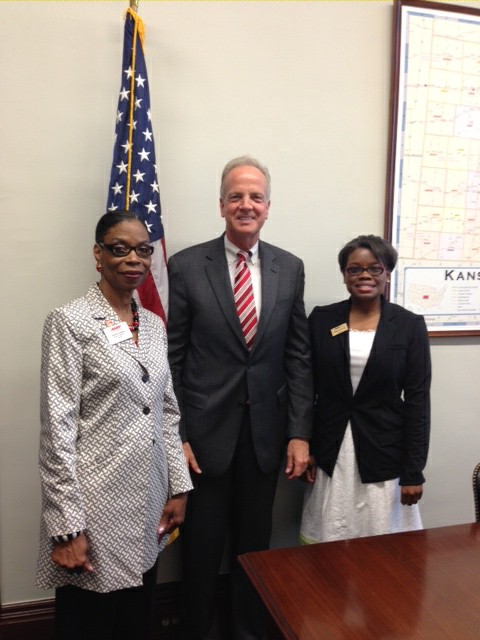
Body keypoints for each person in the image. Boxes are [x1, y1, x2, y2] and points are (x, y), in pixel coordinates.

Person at [167, 156, 313, 640]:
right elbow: (172, 358)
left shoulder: (289, 268)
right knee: (202, 552)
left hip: (266, 438)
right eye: (236, 196)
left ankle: (249, 632)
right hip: (204, 442)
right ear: (221, 205)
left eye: (255, 197)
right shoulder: (187, 266)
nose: (245, 205)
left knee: (254, 549)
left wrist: (297, 433)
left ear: (268, 207)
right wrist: (178, 437)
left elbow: (297, 357)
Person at [36, 210, 193, 640]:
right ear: (98, 254)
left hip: (147, 500)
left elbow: (167, 410)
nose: (133, 259)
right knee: (91, 622)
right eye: (119, 249)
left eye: (142, 250)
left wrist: (178, 486)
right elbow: (57, 432)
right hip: (94, 506)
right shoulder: (70, 322)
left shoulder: (155, 326)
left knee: (135, 617)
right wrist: (67, 526)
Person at [300, 234, 431, 544]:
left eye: (374, 268)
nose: (364, 276)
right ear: (344, 275)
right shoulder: (321, 319)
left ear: (388, 273)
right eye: (354, 269)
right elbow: (304, 388)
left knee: (382, 547)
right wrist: (306, 445)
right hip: (331, 453)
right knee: (329, 544)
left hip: (385, 453)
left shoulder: (409, 325)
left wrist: (414, 472)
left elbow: (417, 402)